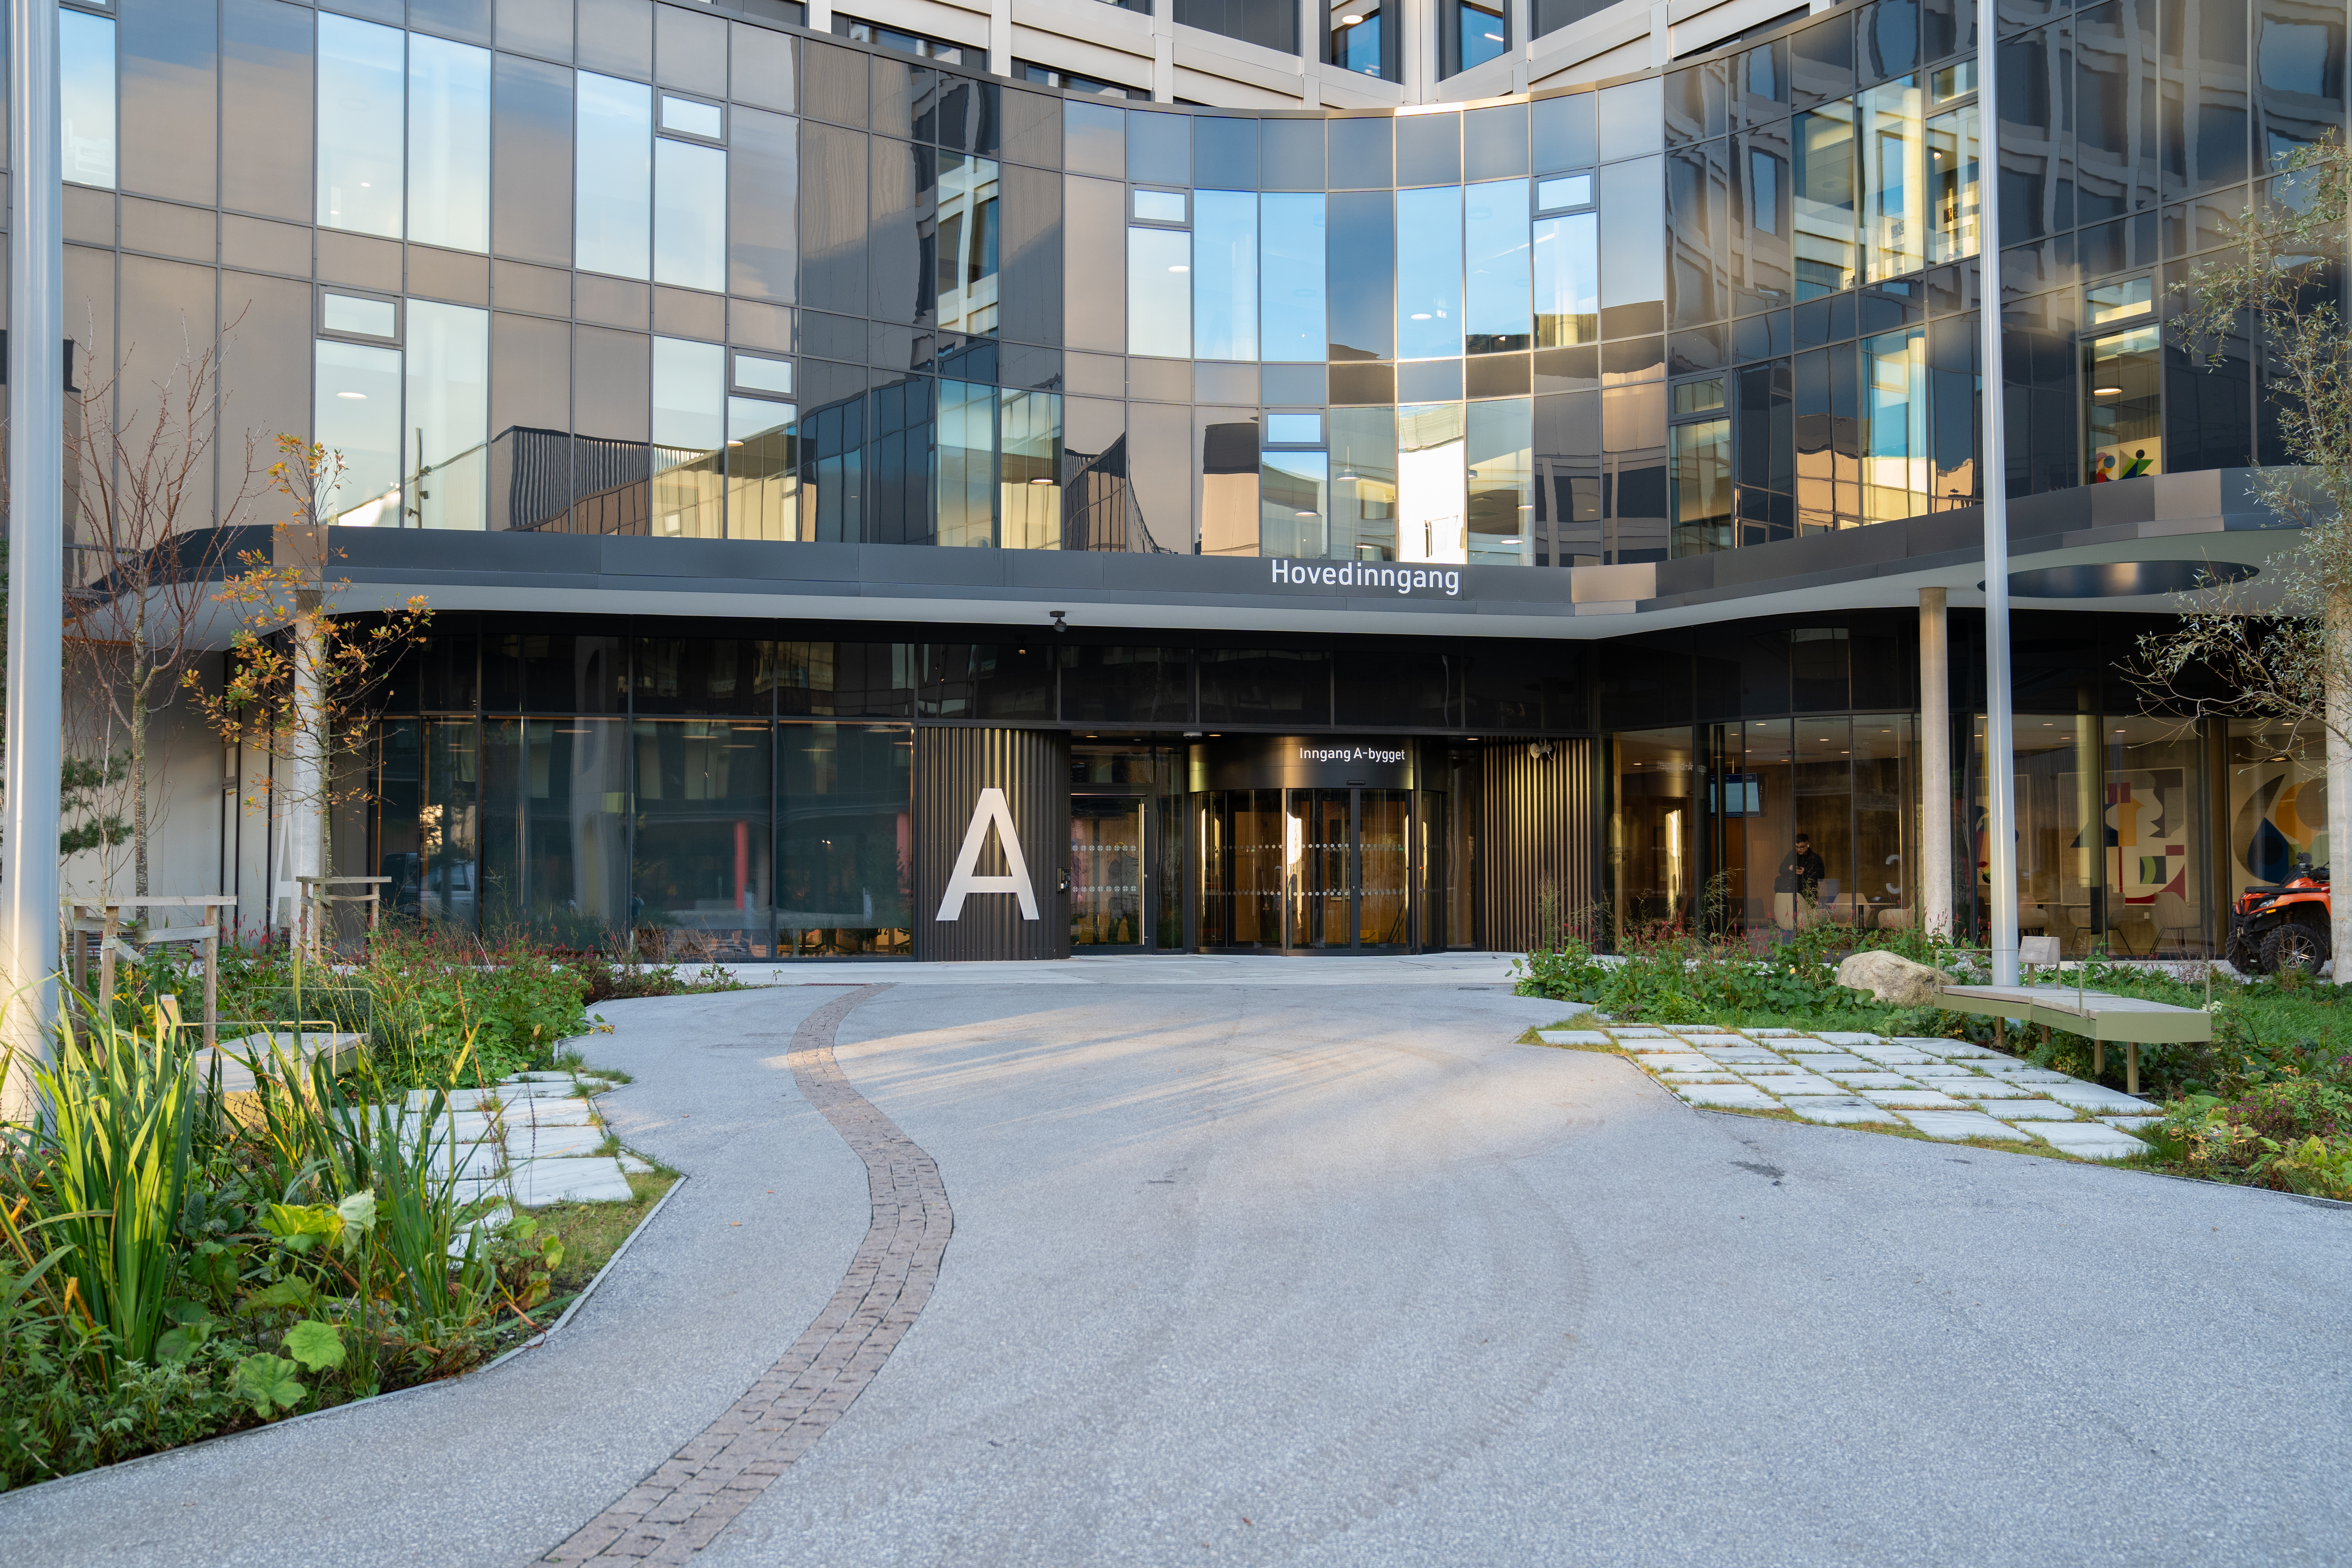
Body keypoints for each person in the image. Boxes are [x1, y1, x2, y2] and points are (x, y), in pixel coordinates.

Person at [1773, 833, 1827, 930]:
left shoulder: (1815, 858)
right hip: (1790, 892)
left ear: (1808, 845)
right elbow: (1781, 869)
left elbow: (1821, 876)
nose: (1799, 850)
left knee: (1806, 922)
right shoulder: (1791, 855)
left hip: (1807, 894)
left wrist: (1805, 872)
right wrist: (1790, 868)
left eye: (1802, 847)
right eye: (1797, 847)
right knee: (1789, 921)